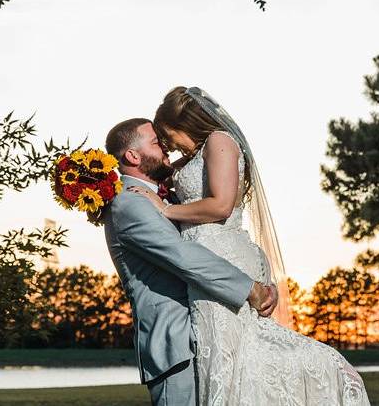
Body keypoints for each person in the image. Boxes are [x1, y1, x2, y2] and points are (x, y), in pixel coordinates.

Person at [129, 87, 371, 405]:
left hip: (224, 256)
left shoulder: (220, 141)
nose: (169, 144)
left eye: (168, 134)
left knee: (245, 346)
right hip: (203, 267)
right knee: (220, 354)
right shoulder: (192, 157)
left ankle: (337, 381)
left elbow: (221, 206)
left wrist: (165, 210)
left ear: (183, 123)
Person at [102, 118, 278, 406]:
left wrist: (262, 276)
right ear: (133, 156)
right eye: (157, 143)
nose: (166, 148)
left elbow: (218, 241)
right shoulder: (129, 204)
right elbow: (184, 257)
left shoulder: (166, 198)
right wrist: (250, 289)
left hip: (211, 332)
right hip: (176, 345)